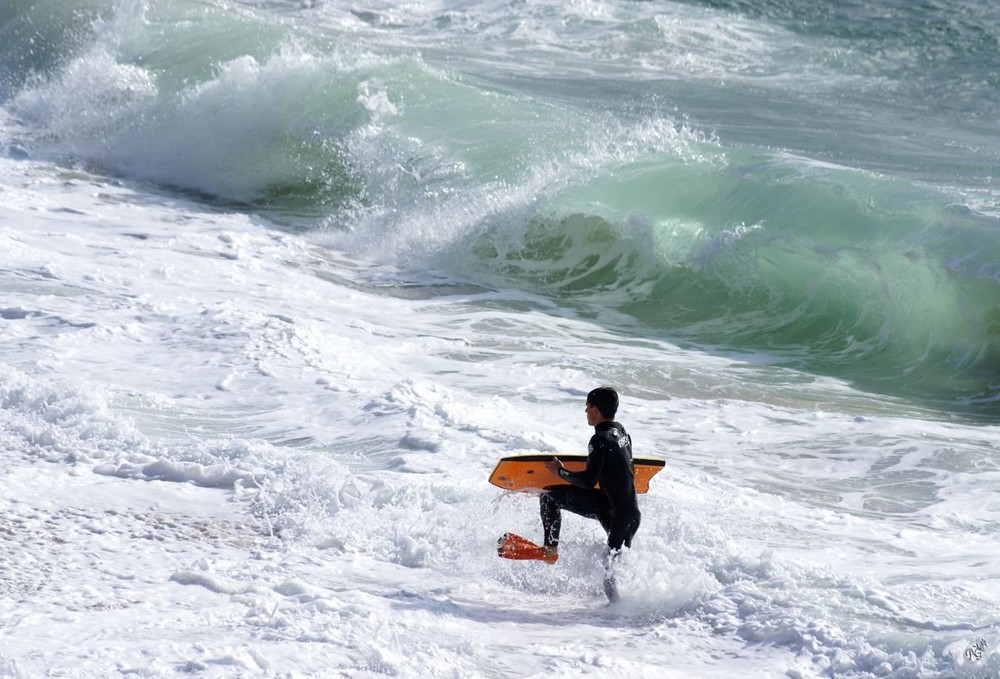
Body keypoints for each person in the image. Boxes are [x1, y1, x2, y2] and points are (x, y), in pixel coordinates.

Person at [542, 386, 640, 601]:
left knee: (610, 577)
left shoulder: (599, 440)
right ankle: (617, 607)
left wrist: (560, 471)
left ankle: (617, 615)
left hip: (618, 517)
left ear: (596, 410)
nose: (585, 411)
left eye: (587, 407)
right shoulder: (623, 433)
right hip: (627, 512)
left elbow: (588, 481)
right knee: (616, 567)